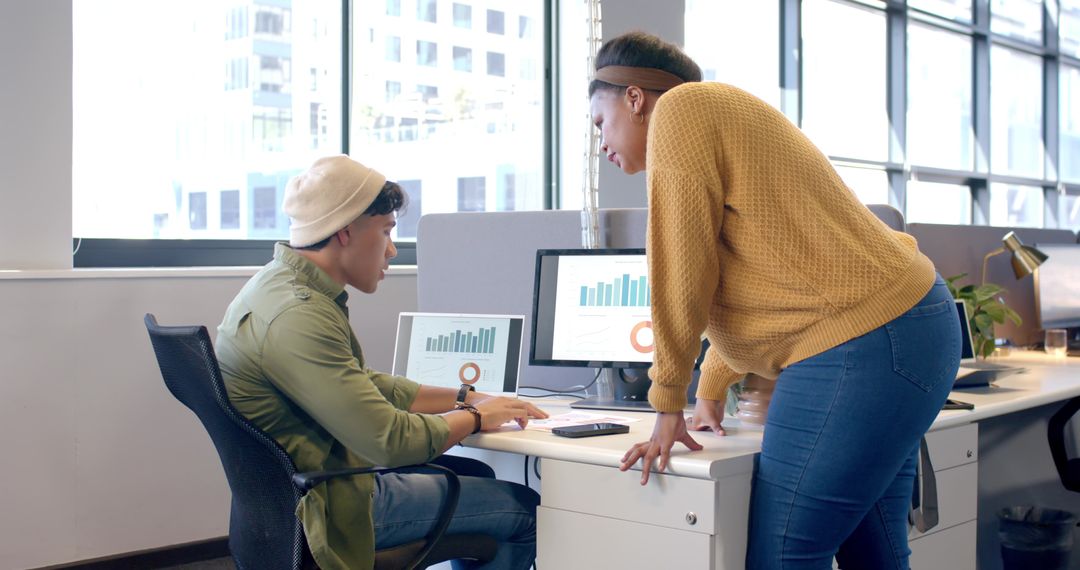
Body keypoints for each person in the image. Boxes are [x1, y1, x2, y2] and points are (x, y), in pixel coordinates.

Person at [590, 32, 960, 568]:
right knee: (873, 555)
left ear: (634, 97)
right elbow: (763, 280)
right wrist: (711, 384)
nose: (601, 144)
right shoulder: (719, 114)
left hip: (865, 343)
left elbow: (680, 266)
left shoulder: (679, 110)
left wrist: (668, 399)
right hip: (910, 325)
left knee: (783, 556)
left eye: (599, 123)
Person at [215, 155, 547, 570]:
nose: (391, 249)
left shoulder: (277, 288)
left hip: (296, 498)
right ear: (345, 232)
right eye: (386, 231)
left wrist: (464, 396)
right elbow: (390, 442)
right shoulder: (297, 318)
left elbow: (359, 383)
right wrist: (477, 417)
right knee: (526, 509)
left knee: (481, 479)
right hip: (334, 508)